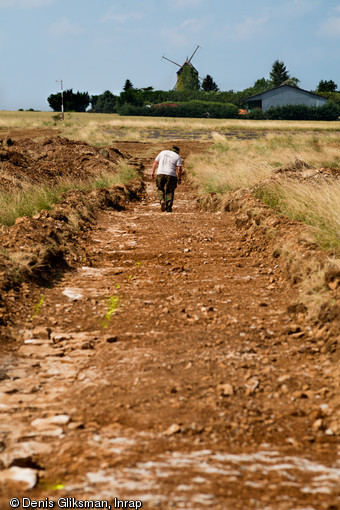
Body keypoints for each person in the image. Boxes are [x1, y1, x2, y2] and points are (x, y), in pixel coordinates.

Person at [151, 146, 182, 213]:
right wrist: (179, 178)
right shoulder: (177, 156)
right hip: (171, 175)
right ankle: (168, 208)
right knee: (170, 191)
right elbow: (179, 169)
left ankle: (162, 200)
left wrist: (153, 172)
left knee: (160, 188)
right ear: (177, 151)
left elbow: (155, 163)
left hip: (160, 173)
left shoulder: (162, 152)